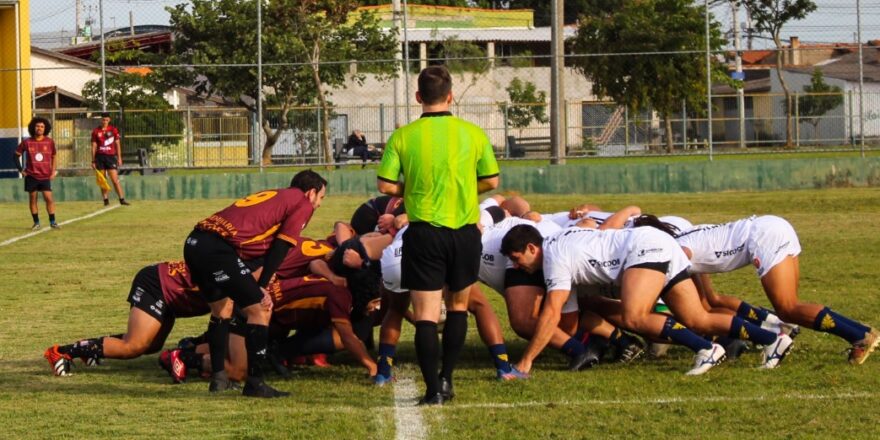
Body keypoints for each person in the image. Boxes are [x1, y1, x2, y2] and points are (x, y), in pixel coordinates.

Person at [501, 224, 794, 376]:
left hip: (643, 249)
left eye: (517, 259)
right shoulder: (559, 241)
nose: (517, 267)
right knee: (697, 318)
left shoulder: (553, 257)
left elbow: (551, 313)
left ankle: (707, 348)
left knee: (633, 316)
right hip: (659, 243)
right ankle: (772, 339)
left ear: (531, 248)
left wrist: (525, 362)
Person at [376, 65, 501, 405]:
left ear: (418, 97)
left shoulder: (403, 136)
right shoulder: (473, 133)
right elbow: (491, 181)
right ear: (450, 97)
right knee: (459, 307)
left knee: (426, 315)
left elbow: (386, 185)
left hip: (424, 233)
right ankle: (447, 377)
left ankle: (433, 390)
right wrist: (459, 188)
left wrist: (413, 187)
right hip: (464, 233)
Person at [183, 169, 326, 397]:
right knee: (260, 309)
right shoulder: (302, 202)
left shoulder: (278, 195)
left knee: (222, 309)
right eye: (321, 198)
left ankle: (219, 379)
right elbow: (281, 246)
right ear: (311, 193)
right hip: (217, 249)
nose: (319, 205)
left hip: (195, 242)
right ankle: (255, 383)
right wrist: (264, 285)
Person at [673, 215, 878, 364]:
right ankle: (863, 333)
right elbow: (707, 302)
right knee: (791, 306)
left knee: (788, 308)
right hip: (772, 226)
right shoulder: (681, 241)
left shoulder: (675, 250)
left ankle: (859, 336)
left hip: (764, 237)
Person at [43, 261, 228, 379]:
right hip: (156, 285)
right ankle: (61, 352)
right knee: (134, 346)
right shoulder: (239, 281)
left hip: (170, 295)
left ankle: (92, 350)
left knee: (152, 345)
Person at [14, 117, 59, 230]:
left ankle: (53, 222)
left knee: (49, 198)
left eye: (42, 127)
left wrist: (53, 171)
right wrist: (21, 170)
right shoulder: (27, 142)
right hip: (31, 176)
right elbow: (16, 155)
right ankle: (36, 223)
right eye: (37, 126)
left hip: (45, 176)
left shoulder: (49, 142)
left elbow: (54, 156)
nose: (40, 128)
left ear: (45, 129)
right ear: (33, 127)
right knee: (33, 198)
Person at [91, 112, 129, 206]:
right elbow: (94, 146)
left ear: (109, 120)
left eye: (107, 120)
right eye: (103, 120)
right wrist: (93, 160)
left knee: (115, 180)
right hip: (99, 157)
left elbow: (117, 144)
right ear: (101, 120)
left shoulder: (113, 130)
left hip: (110, 157)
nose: (105, 121)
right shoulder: (96, 131)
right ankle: (106, 200)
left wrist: (119, 157)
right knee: (103, 180)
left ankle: (122, 199)